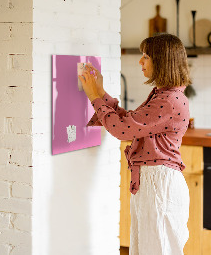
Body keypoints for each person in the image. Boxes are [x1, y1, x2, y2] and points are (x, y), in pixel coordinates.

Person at [79, 33, 191, 255]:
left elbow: (122, 130)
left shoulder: (168, 100)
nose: (141, 62)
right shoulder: (164, 95)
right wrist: (100, 93)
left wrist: (94, 97)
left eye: (146, 56)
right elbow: (130, 122)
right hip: (154, 183)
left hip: (159, 186)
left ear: (162, 61)